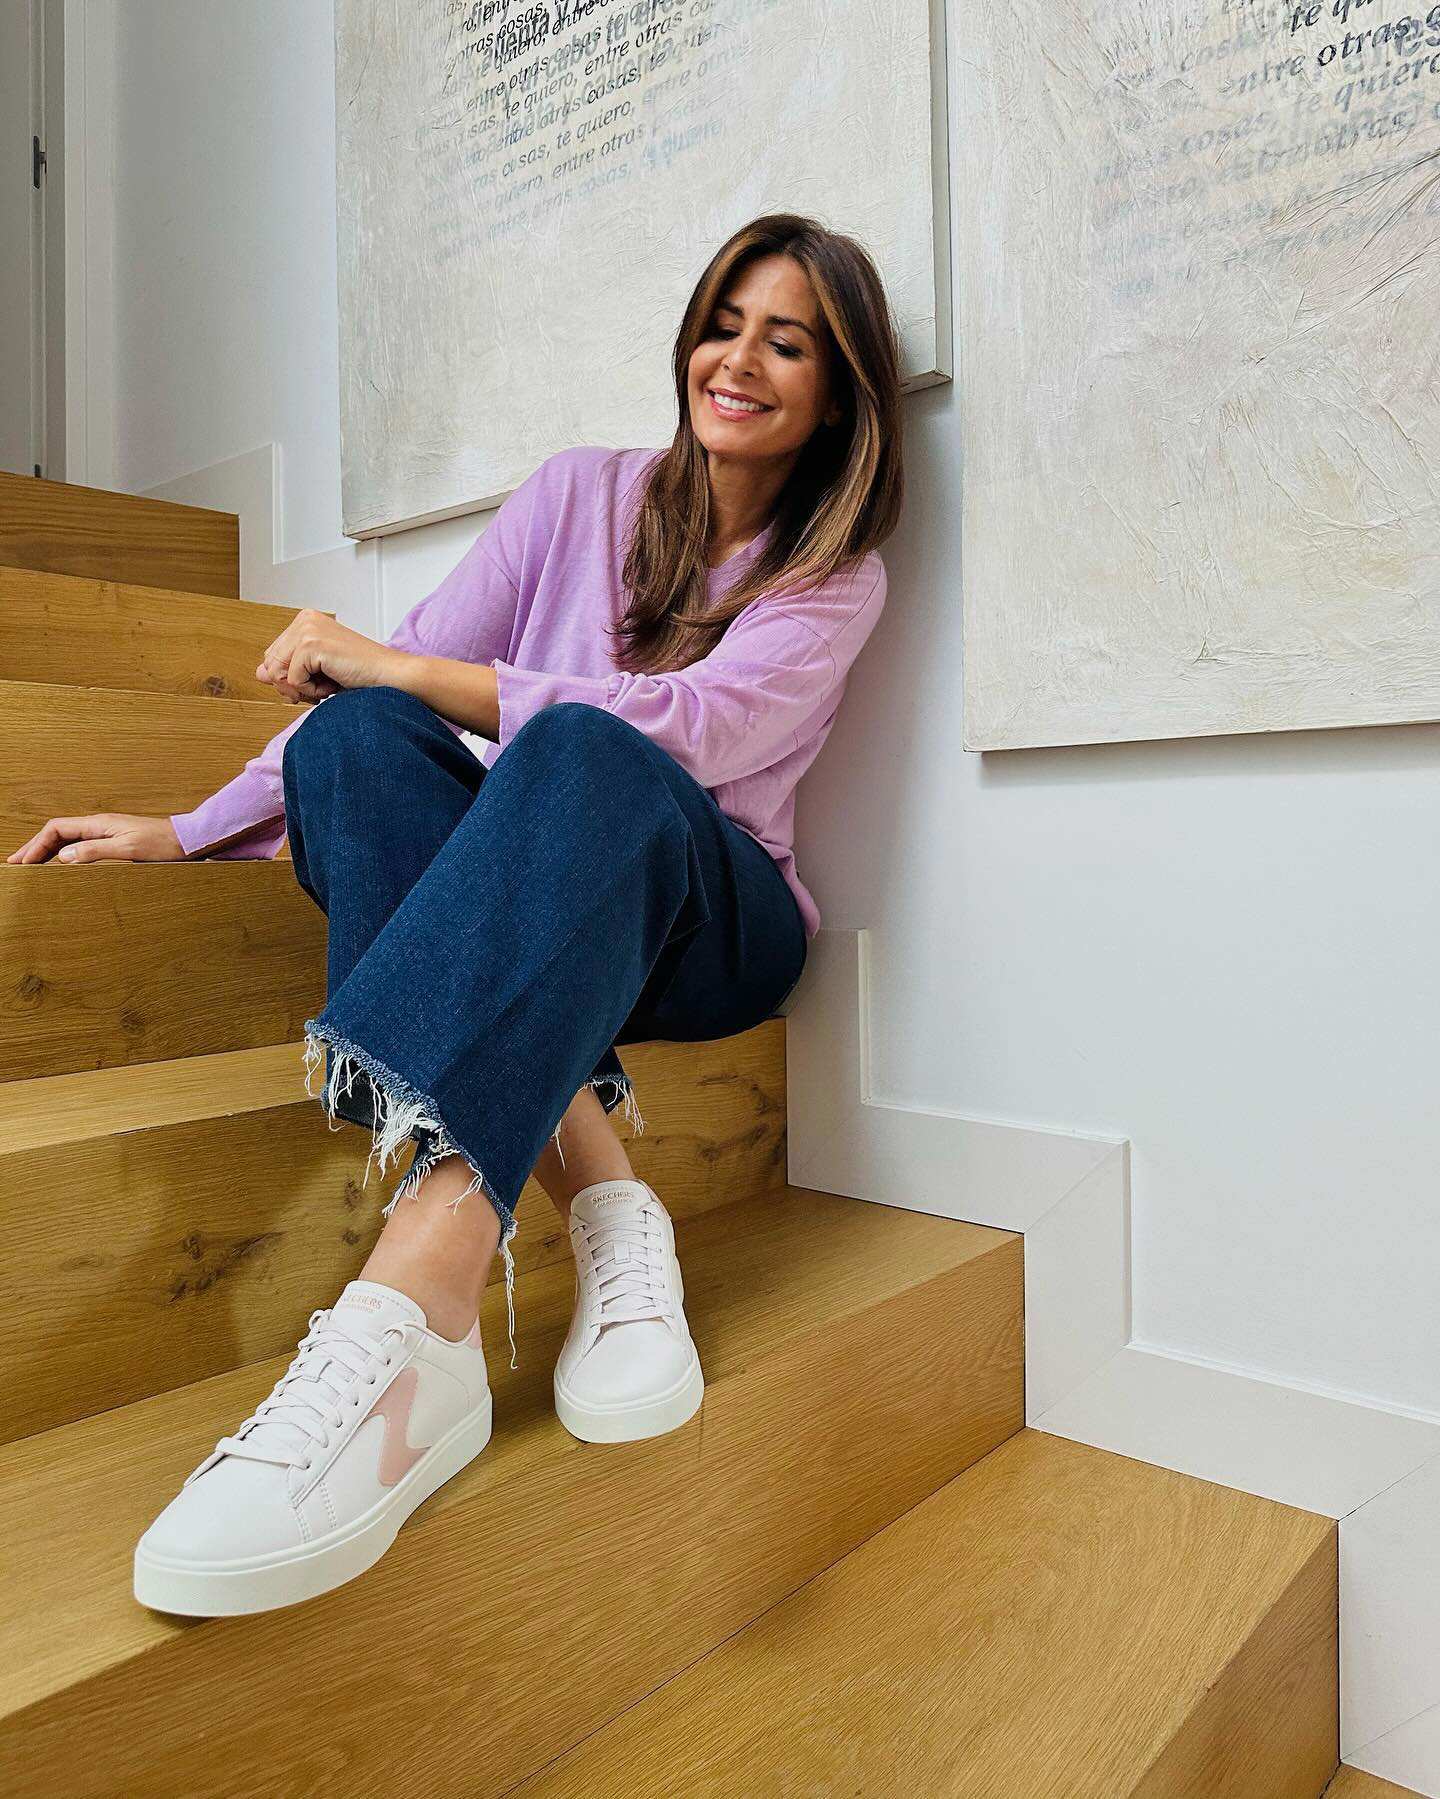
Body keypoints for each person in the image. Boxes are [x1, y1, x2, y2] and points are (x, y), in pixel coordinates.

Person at [8, 210, 904, 1615]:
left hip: (706, 919)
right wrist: (184, 830)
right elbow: (397, 666)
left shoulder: (833, 576)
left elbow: (696, 729)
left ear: (839, 391)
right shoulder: (578, 495)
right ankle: (608, 1202)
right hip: (542, 909)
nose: (739, 360)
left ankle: (414, 1308)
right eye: (725, 322)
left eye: (787, 343)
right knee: (348, 743)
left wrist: (412, 677)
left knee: (586, 751)